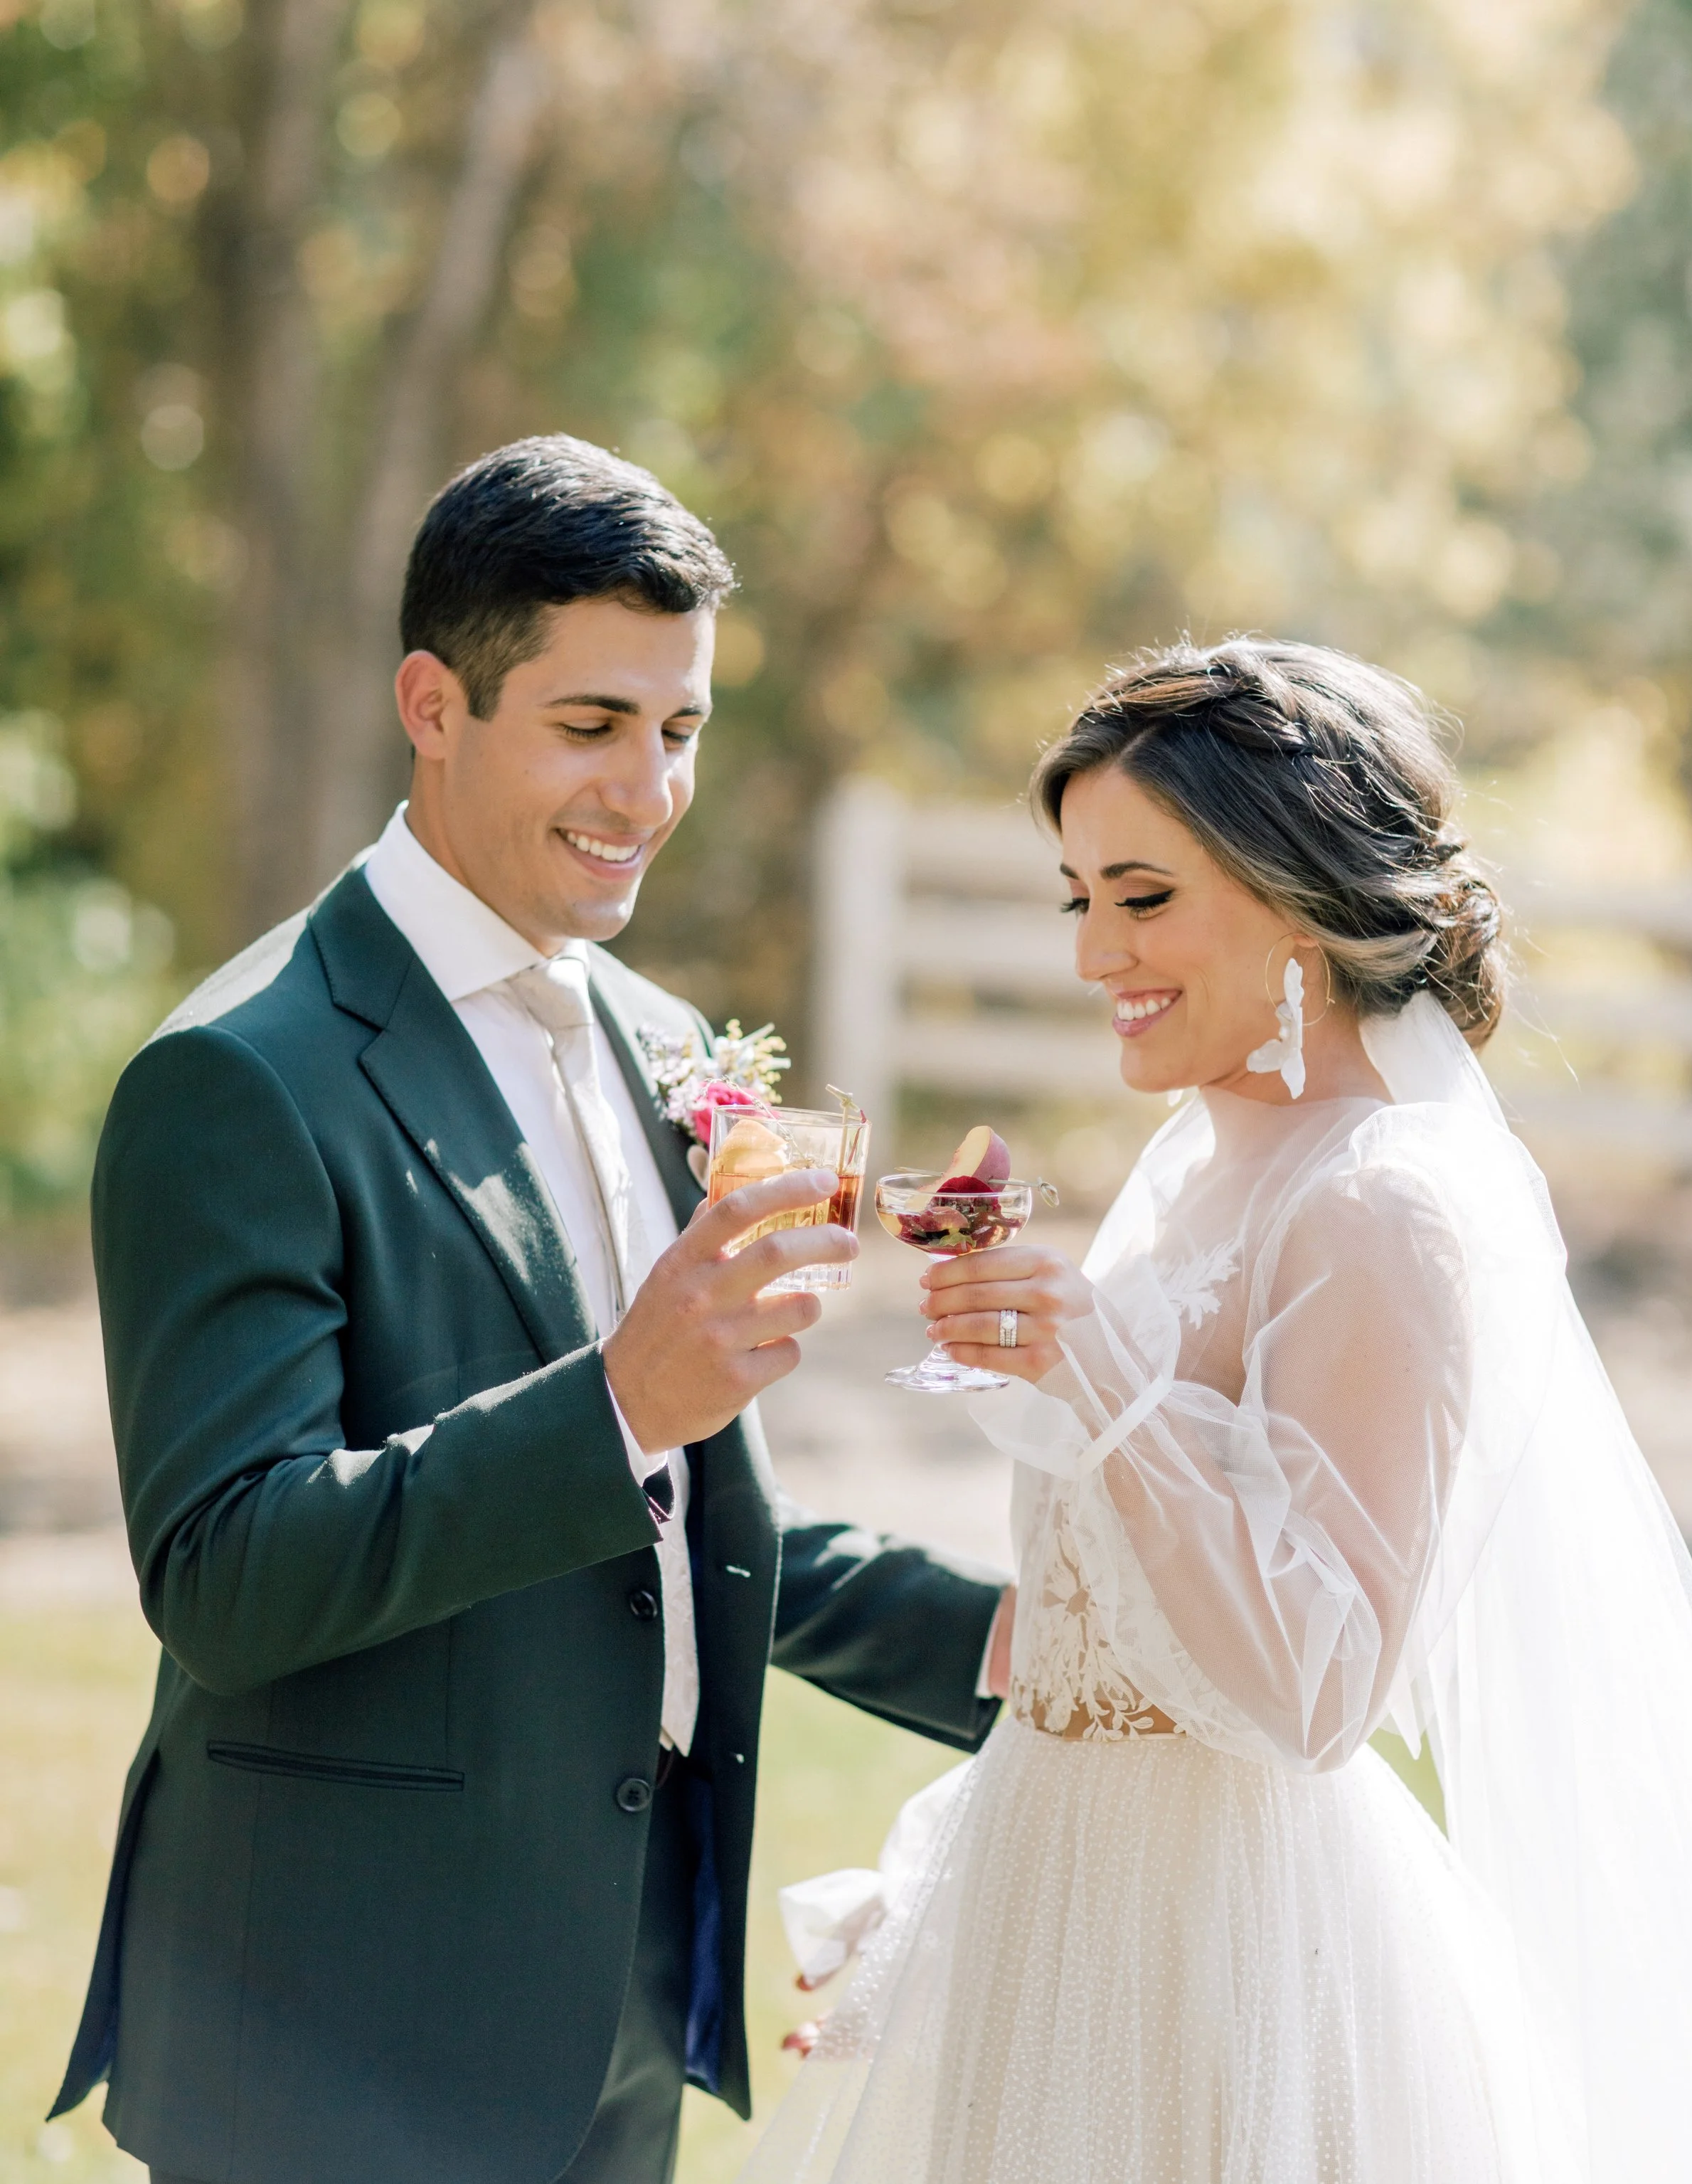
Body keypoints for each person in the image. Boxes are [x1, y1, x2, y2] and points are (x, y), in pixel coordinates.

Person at [48, 435, 1012, 2184]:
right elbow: (228, 1571)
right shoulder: (237, 1078)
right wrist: (617, 1396)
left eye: (681, 729)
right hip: (335, 2027)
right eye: (591, 724)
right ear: (435, 701)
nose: (646, 791)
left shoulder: (662, 1042)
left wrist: (1026, 1652)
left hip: (616, 1996)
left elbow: (683, 1517)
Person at [743, 639, 1692, 2183]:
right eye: (1076, 896)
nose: (1096, 953)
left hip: (1237, 1971)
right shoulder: (1193, 1167)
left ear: (1295, 897)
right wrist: (947, 1884)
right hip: (1059, 1913)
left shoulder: (1379, 1203)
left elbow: (1312, 1689)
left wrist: (1089, 1374)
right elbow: (1117, 1635)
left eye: (1143, 896)